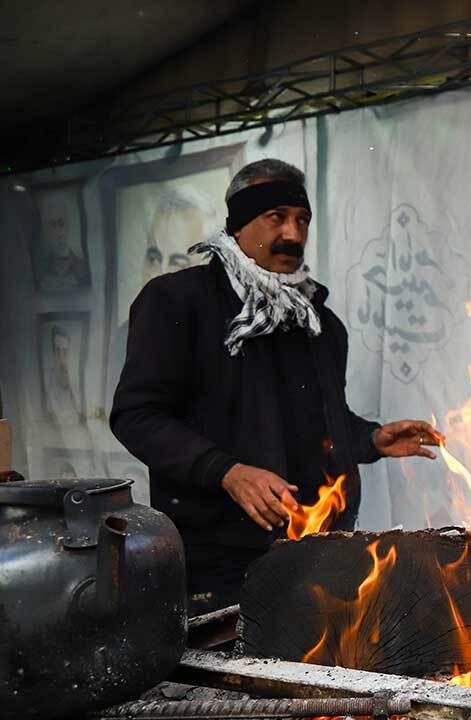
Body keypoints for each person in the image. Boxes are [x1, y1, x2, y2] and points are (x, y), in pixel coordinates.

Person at [111, 158, 444, 614]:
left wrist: (369, 438)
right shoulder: (177, 302)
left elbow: (316, 420)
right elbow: (137, 415)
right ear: (239, 224)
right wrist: (227, 471)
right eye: (276, 217)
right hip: (218, 564)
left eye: (302, 219)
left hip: (320, 554)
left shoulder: (320, 324)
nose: (293, 233)